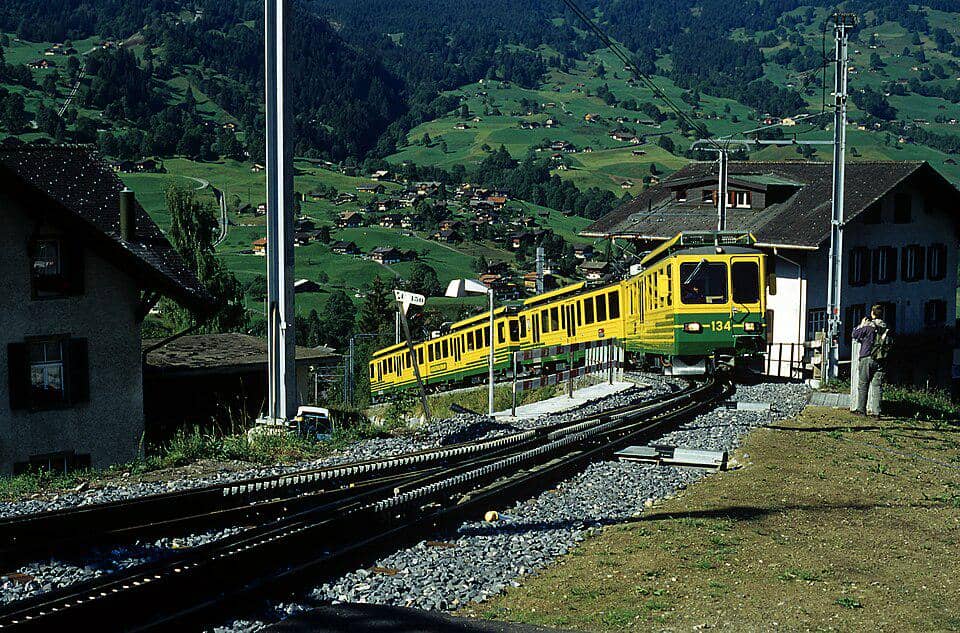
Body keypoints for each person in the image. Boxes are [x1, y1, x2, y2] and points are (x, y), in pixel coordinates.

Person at [851, 304, 890, 417]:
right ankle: (876, 412)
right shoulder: (885, 328)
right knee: (877, 386)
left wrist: (861, 324)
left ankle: (861, 410)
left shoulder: (869, 327)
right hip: (881, 359)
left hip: (867, 357)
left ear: (872, 313)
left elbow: (855, 334)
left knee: (863, 384)